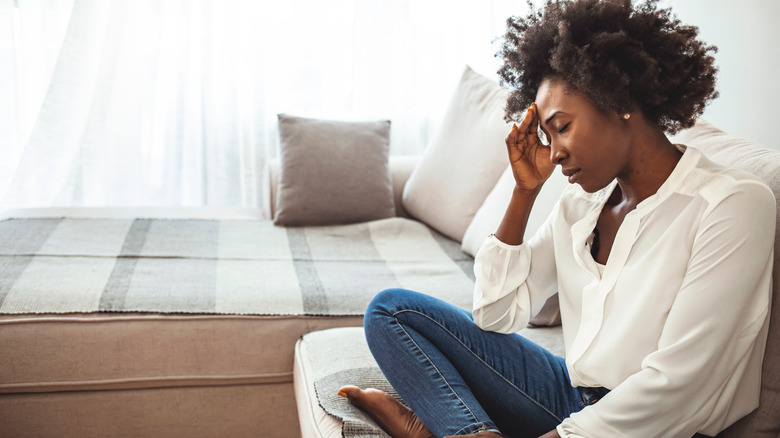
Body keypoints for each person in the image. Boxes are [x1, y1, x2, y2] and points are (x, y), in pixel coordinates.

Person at [338, 0, 776, 437]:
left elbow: (682, 384)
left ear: (620, 100)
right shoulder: (581, 206)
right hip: (569, 397)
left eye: (562, 127)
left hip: (658, 426)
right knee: (391, 311)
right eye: (547, 135)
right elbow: (496, 314)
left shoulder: (731, 204)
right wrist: (525, 192)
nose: (555, 152)